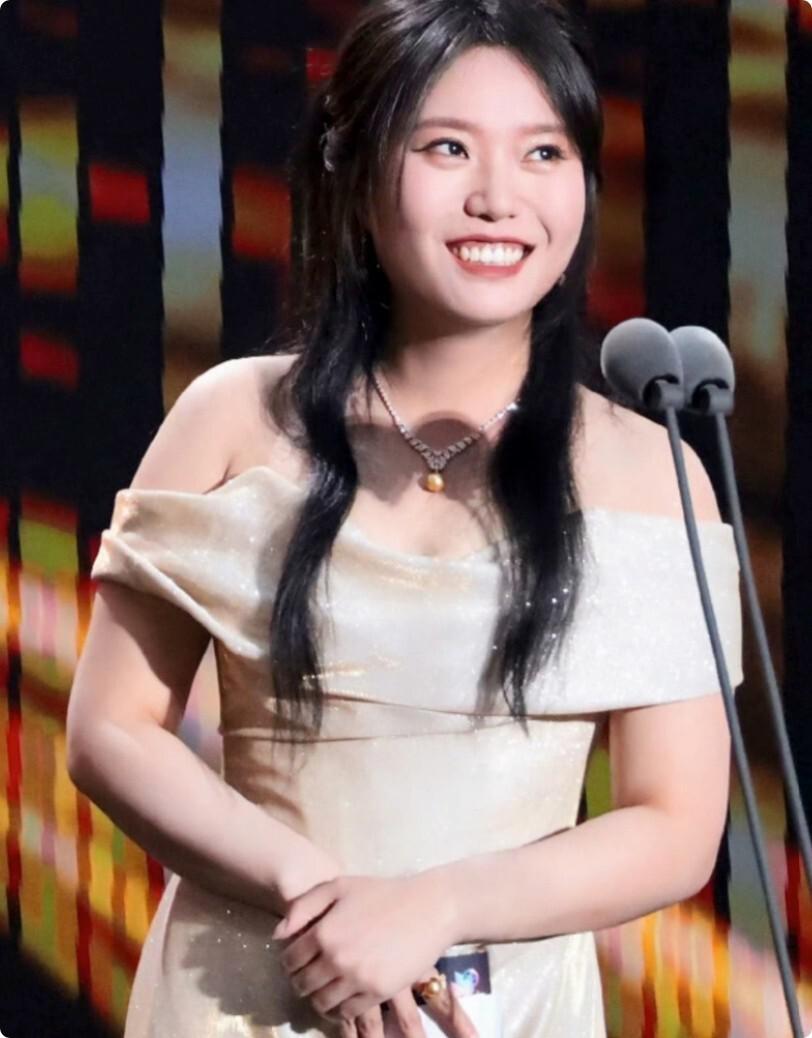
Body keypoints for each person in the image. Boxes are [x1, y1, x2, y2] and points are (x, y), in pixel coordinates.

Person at [66, 1, 744, 1036]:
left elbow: (674, 824)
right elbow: (111, 731)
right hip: (242, 991)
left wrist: (434, 908)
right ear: (355, 174)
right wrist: (320, 900)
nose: (498, 197)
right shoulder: (233, 419)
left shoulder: (649, 470)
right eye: (445, 148)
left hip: (504, 1011)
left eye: (543, 153)